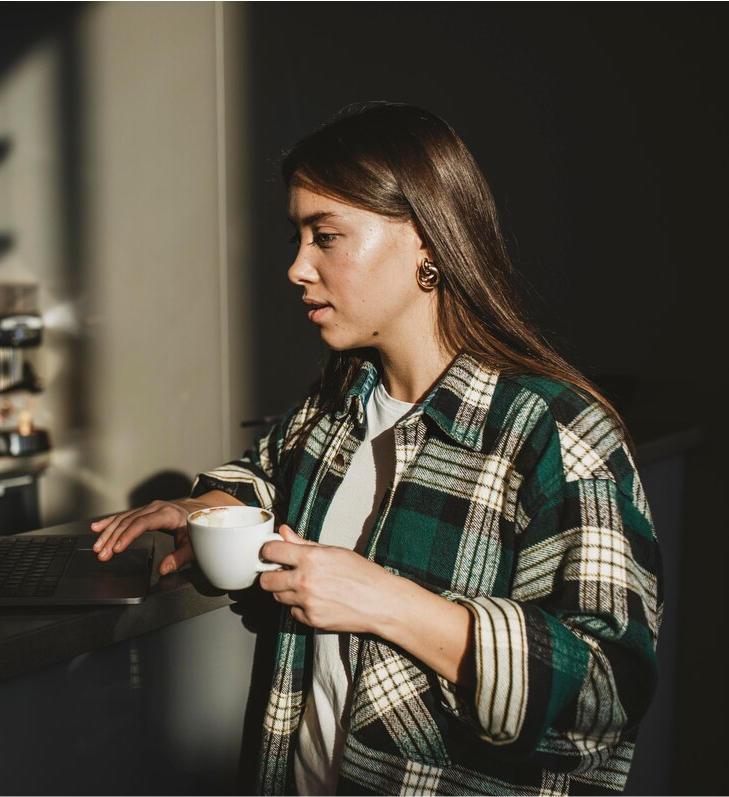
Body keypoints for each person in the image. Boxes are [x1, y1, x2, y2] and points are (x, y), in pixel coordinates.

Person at [90, 102, 661, 796]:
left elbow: (607, 693)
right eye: (297, 235)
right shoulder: (338, 401)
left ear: (426, 241)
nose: (297, 267)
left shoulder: (555, 430)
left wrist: (386, 601)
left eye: (325, 235)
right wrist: (204, 507)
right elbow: (268, 473)